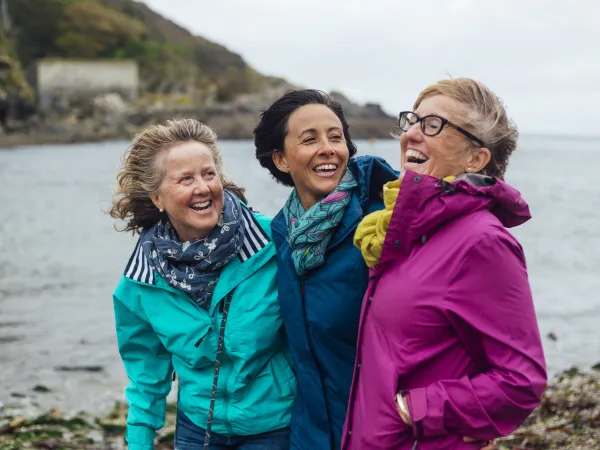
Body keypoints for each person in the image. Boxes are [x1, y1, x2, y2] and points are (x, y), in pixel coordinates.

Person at [343, 78, 547, 449]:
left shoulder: (483, 242)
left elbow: (521, 381)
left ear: (476, 158)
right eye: (412, 121)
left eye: (434, 125)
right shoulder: (400, 230)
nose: (413, 135)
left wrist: (412, 410)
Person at [109, 119, 295, 450]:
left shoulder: (274, 243)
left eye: (209, 174)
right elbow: (146, 373)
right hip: (197, 430)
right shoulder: (142, 281)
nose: (203, 187)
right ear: (157, 198)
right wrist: (139, 441)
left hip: (275, 427)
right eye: (185, 179)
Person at [253, 89, 399, 449]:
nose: (328, 148)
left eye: (336, 137)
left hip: (380, 434)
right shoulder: (283, 235)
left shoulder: (381, 226)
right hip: (310, 434)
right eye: (309, 139)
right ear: (281, 160)